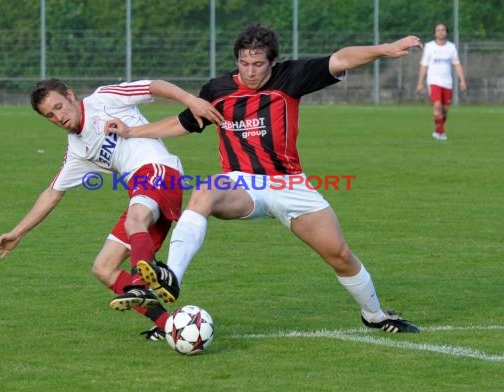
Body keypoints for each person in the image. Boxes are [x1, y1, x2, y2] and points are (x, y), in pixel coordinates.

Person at [107, 23, 423, 334]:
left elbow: (341, 58)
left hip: (289, 185)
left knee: (339, 255)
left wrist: (385, 49)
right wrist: (132, 131)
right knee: (206, 190)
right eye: (244, 63)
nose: (251, 71)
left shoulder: (291, 77)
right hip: (242, 184)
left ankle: (375, 315)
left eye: (258, 64)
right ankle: (170, 277)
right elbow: (184, 123)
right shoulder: (217, 91)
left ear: (272, 61)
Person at [0, 78, 222, 340]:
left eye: (59, 106)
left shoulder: (104, 99)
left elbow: (153, 86)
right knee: (103, 267)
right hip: (140, 192)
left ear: (70, 95)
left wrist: (191, 100)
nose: (58, 117)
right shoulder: (77, 150)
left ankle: (141, 284)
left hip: (159, 170)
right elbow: (52, 193)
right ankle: (170, 326)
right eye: (50, 115)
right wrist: (17, 233)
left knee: (134, 222)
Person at [417, 22, 467, 141]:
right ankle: (441, 132)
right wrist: (420, 83)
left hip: (447, 82)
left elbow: (457, 64)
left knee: (444, 110)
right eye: (438, 30)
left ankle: (437, 130)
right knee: (437, 106)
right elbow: (424, 66)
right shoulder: (429, 46)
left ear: (447, 32)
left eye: (443, 30)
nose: (441, 32)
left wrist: (462, 80)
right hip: (433, 81)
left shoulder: (451, 47)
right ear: (434, 33)